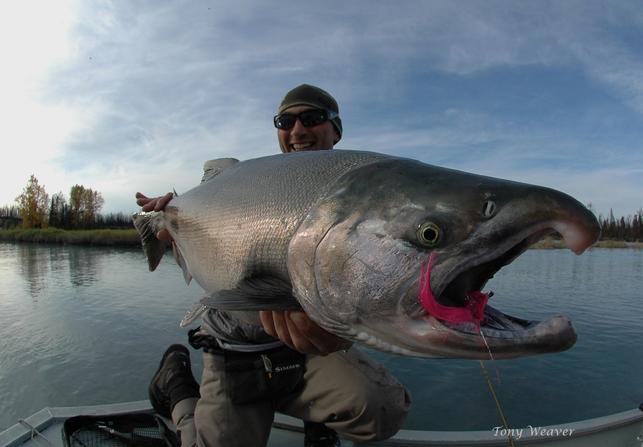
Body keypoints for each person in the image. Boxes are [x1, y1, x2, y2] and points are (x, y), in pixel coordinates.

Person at [136, 84, 411, 447]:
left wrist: (340, 331)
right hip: (234, 353)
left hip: (304, 355)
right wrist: (175, 215)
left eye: (312, 118)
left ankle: (317, 417)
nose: (298, 130)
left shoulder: (360, 202)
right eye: (285, 121)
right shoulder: (249, 188)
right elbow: (205, 240)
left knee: (384, 410)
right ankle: (178, 391)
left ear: (337, 130)